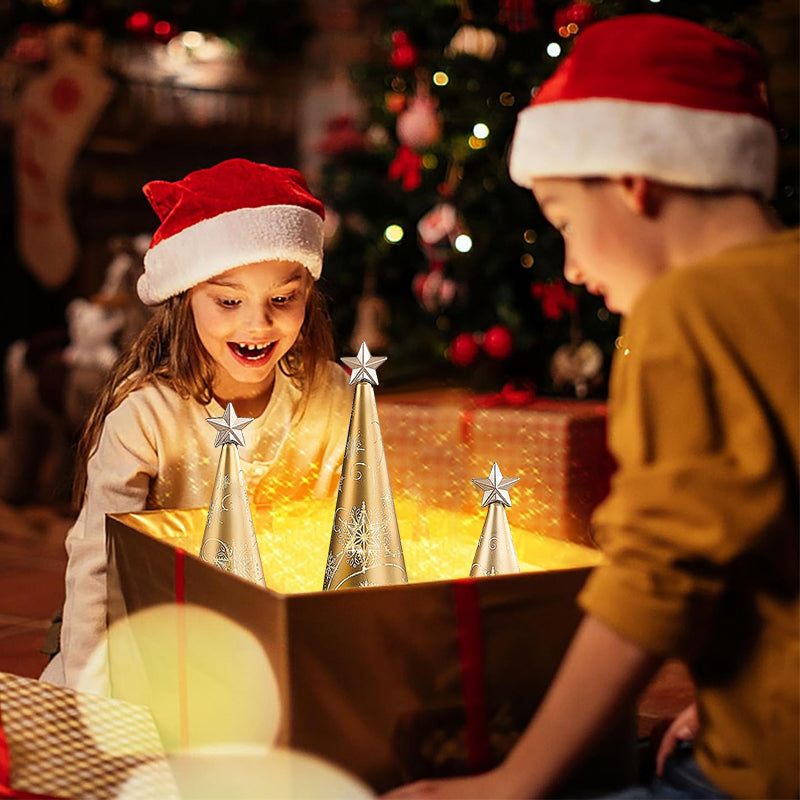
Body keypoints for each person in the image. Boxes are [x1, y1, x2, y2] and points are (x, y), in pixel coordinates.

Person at [385, 13, 798, 800]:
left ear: (634, 183)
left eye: (567, 222)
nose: (572, 268)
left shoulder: (688, 312)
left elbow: (657, 575)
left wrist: (512, 784)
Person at [39, 158, 353, 696]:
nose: (258, 323)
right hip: (158, 641)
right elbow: (99, 564)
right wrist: (88, 693)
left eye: (283, 298)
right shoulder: (145, 418)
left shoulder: (332, 397)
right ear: (186, 299)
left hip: (280, 642)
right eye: (229, 301)